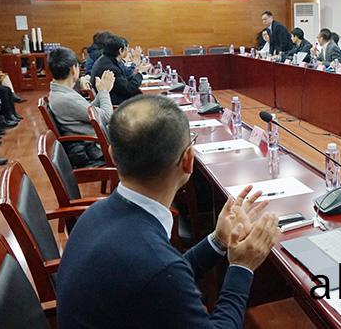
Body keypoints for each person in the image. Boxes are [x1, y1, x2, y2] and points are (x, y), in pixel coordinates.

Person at [57, 95, 280, 328]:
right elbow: (162, 273)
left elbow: (166, 274)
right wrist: (242, 267)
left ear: (112, 155)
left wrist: (218, 240)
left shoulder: (95, 213)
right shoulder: (156, 265)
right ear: (188, 160)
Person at [49, 47, 115, 167]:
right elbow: (106, 117)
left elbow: (89, 109)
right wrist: (104, 92)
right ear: (73, 69)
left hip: (95, 141)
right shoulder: (65, 98)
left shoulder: (60, 92)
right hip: (97, 147)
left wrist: (101, 92)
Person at [91, 34, 149, 105]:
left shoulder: (105, 60)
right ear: (120, 50)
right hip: (115, 104)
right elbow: (129, 89)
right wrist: (140, 73)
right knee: (146, 100)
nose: (128, 51)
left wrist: (134, 74)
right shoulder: (110, 67)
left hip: (111, 98)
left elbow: (122, 80)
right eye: (126, 49)